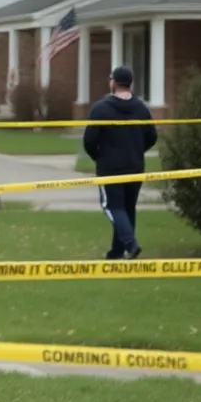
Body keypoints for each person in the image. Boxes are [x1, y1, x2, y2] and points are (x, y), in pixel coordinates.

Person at [83, 65, 158, 260]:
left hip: (111, 168)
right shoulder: (141, 108)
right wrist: (136, 151)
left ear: (113, 83)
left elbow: (89, 140)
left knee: (113, 207)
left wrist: (99, 157)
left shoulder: (101, 108)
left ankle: (131, 244)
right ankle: (117, 252)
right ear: (129, 84)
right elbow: (152, 136)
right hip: (135, 166)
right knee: (127, 208)